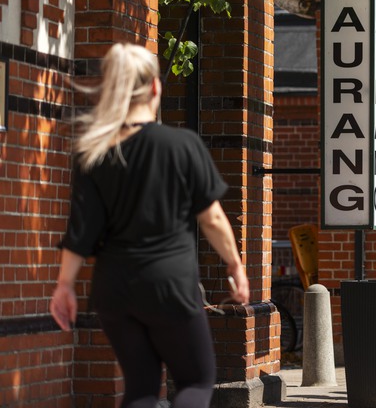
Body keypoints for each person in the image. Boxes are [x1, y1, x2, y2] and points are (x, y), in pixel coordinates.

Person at [49, 43, 249, 408]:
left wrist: (64, 285)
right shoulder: (182, 146)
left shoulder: (93, 152)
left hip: (114, 289)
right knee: (196, 379)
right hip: (170, 285)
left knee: (141, 387)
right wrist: (235, 266)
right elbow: (214, 218)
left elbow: (81, 231)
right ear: (156, 88)